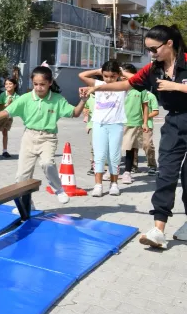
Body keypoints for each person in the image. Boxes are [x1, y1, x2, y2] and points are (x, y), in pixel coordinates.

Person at [80, 24, 187, 248]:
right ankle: (158, 230)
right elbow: (127, 83)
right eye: (148, 49)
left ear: (169, 44)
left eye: (154, 49)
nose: (151, 53)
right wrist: (98, 88)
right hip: (174, 124)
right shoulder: (152, 69)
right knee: (165, 175)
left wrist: (176, 87)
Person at [0, 66, 87, 207]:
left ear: (50, 83)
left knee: (47, 163)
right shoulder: (26, 98)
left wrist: (83, 101)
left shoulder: (57, 99)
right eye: (35, 84)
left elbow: (75, 113)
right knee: (22, 176)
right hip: (29, 137)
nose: (38, 88)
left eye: (42, 84)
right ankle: (27, 206)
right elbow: (7, 112)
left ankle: (59, 189)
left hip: (48, 138)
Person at [79, 61, 127, 197]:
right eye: (106, 76)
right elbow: (81, 75)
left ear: (117, 75)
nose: (109, 79)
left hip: (116, 124)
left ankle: (114, 184)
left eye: (112, 76)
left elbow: (136, 77)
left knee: (114, 156)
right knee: (99, 156)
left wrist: (122, 73)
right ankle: (98, 185)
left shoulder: (123, 86)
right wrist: (98, 71)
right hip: (99, 124)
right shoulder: (98, 84)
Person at [120, 64, 149, 184]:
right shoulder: (118, 88)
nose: (123, 78)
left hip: (134, 122)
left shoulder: (140, 89)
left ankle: (127, 172)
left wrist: (145, 122)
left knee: (130, 148)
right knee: (114, 148)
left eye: (125, 75)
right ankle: (112, 170)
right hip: (117, 122)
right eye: (121, 75)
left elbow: (145, 106)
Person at [142, 90, 159, 175]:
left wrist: (144, 117)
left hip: (147, 125)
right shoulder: (130, 93)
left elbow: (156, 111)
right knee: (132, 146)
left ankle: (152, 165)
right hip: (133, 123)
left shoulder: (151, 96)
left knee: (147, 144)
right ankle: (132, 166)